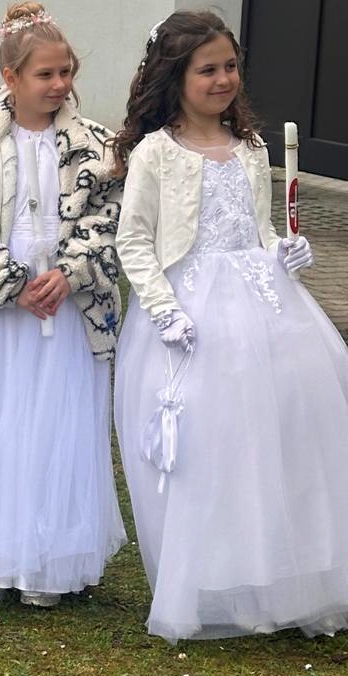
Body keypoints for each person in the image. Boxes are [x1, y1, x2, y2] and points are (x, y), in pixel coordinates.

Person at [112, 10, 348, 642]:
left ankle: (278, 573)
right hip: (191, 310)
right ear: (175, 77)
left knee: (279, 435)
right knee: (213, 445)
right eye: (207, 70)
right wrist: (164, 309)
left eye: (230, 67)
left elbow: (259, 226)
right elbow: (134, 241)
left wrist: (283, 252)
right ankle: (217, 576)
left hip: (264, 304)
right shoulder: (157, 154)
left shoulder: (252, 147)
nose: (223, 80)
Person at [0, 2, 126, 607]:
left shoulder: (95, 144)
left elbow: (109, 219)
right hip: (7, 310)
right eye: (45, 74)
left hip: (66, 305)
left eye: (66, 71)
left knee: (58, 426)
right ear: (10, 76)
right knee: (2, 425)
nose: (59, 84)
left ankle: (51, 561)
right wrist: (13, 284)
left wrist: (69, 275)